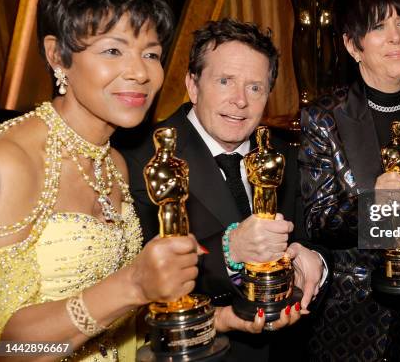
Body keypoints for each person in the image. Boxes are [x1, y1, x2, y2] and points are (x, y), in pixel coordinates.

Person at [0, 0, 275, 361]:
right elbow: (10, 349)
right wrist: (132, 285)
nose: (140, 73)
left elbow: (126, 326)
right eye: (113, 51)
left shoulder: (116, 163)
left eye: (150, 53)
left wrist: (218, 319)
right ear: (58, 56)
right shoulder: (10, 160)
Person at [123, 18, 328, 361]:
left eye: (255, 88)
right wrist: (230, 250)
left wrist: (315, 260)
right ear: (193, 85)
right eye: (225, 81)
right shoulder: (141, 159)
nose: (240, 101)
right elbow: (136, 277)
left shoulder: (287, 154)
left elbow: (320, 236)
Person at [299, 0, 400, 361]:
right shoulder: (324, 118)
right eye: (378, 27)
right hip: (346, 325)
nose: (395, 37)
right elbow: (318, 220)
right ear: (353, 45)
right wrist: (374, 205)